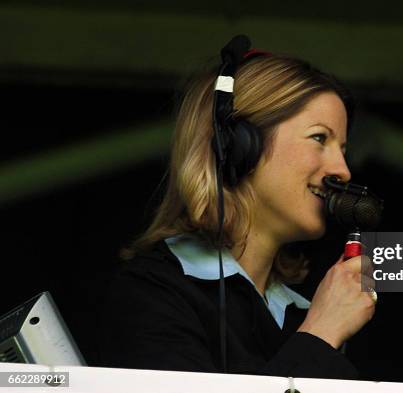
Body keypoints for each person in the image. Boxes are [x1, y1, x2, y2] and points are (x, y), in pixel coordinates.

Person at [98, 43, 376, 379]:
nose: (342, 170)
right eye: (319, 138)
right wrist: (321, 333)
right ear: (240, 147)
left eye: (343, 149)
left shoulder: (302, 313)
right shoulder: (152, 293)